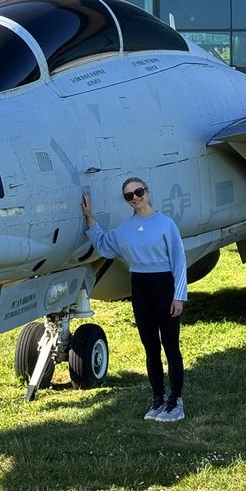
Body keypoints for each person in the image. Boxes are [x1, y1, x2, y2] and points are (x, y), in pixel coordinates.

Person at [82, 177, 188, 422]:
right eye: (129, 195)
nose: (135, 198)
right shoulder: (125, 229)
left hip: (164, 286)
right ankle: (158, 399)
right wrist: (90, 219)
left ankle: (176, 403)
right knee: (150, 347)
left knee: (170, 345)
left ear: (147, 191)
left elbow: (179, 261)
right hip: (140, 287)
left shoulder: (166, 224)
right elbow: (104, 245)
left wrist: (179, 296)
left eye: (138, 192)